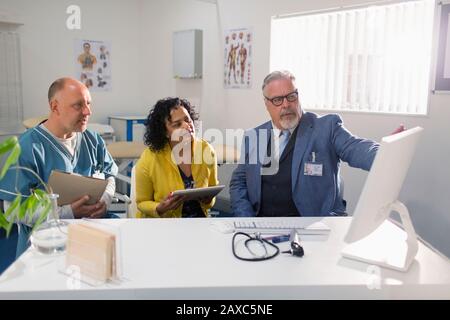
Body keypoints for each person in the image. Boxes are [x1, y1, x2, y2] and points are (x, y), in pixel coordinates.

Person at [230, 70, 382, 217]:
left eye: (291, 96)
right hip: (261, 226)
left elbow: (355, 148)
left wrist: (387, 152)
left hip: (310, 226)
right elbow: (239, 182)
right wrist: (246, 219)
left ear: (298, 96)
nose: (286, 104)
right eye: (277, 100)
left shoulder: (326, 128)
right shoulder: (254, 136)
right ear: (266, 104)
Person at [0, 77, 118, 255]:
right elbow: (13, 210)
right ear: (55, 107)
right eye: (78, 105)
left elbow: (110, 175)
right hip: (45, 245)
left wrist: (105, 200)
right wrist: (67, 212)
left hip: (89, 239)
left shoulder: (93, 141)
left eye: (88, 103)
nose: (88, 111)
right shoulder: (27, 148)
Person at [135, 98, 218, 218]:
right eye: (177, 124)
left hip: (198, 223)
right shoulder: (150, 157)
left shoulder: (206, 150)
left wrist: (208, 200)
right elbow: (141, 202)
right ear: (165, 132)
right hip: (163, 225)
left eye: (187, 120)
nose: (187, 126)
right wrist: (159, 208)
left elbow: (212, 195)